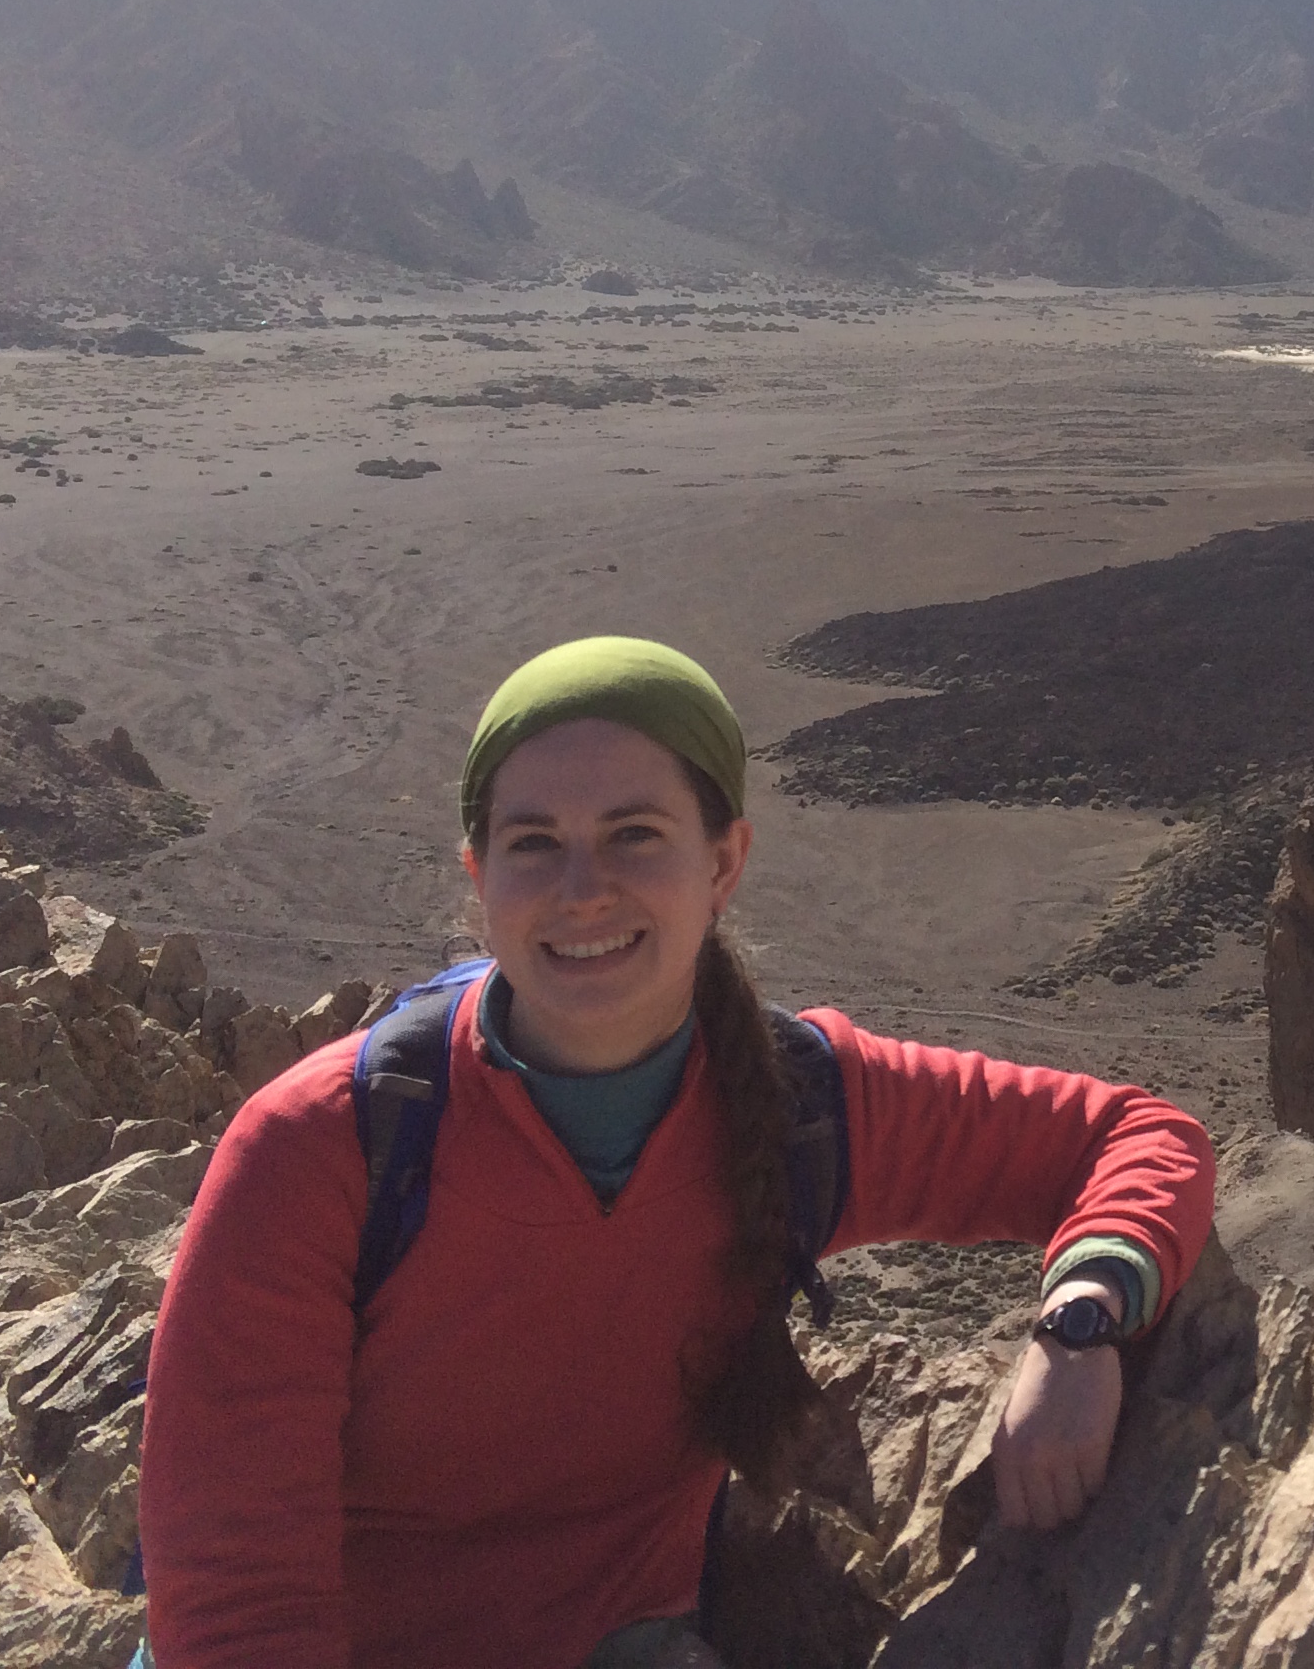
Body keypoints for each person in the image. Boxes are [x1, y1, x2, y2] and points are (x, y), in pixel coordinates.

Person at [137, 637, 1215, 1669]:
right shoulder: (327, 1147)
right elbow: (238, 1601)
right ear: (479, 875)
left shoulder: (803, 1104)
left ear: (725, 861)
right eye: (533, 843)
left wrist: (1084, 1325)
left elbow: (1133, 1135)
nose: (581, 889)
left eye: (634, 834)